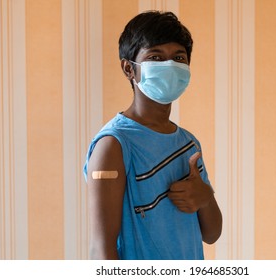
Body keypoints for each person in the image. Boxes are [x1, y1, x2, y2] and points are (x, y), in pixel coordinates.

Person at [83, 10, 222, 260]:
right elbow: (101, 250)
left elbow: (212, 233)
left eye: (178, 57)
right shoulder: (113, 146)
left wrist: (204, 196)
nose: (169, 66)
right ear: (128, 69)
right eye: (155, 57)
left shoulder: (188, 144)